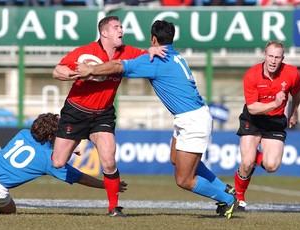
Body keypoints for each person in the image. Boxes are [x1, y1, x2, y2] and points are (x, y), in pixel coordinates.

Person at [75, 20, 239, 219]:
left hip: (192, 120)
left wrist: (91, 70)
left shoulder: (155, 61)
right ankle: (225, 189)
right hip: (190, 116)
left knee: (184, 180)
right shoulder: (174, 55)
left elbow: (118, 66)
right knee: (174, 159)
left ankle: (227, 200)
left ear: (153, 39)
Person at [51, 16, 165, 217]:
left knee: (109, 159)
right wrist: (79, 74)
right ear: (104, 33)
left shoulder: (127, 52)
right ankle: (44, 144)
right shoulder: (86, 52)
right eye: (116, 27)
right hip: (75, 111)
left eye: (121, 26)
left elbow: (145, 55)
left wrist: (152, 50)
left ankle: (114, 207)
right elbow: (57, 71)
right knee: (58, 162)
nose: (121, 29)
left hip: (102, 114)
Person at [0, 113, 127, 214]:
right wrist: (107, 185)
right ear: (50, 136)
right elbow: (78, 177)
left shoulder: (23, 133)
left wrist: (69, 150)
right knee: (9, 211)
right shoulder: (48, 161)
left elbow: (44, 149)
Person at [234, 41, 300, 211]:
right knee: (247, 162)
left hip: (275, 122)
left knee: (272, 166)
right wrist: (275, 103)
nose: (273, 61)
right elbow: (252, 108)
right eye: (270, 56)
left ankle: (253, 157)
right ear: (264, 55)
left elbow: (297, 92)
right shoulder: (251, 75)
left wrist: (293, 111)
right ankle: (239, 197)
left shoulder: (292, 73)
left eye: (277, 57)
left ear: (282, 59)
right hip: (253, 119)